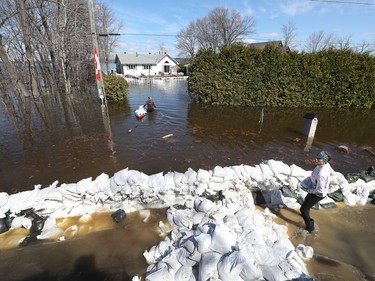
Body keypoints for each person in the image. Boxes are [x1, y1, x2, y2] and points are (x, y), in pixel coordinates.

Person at [300, 151, 333, 232]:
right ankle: (305, 214)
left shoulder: (322, 174)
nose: (316, 159)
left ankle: (310, 228)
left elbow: (320, 190)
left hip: (318, 194)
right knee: (306, 202)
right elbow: (332, 173)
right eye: (316, 157)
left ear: (324, 160)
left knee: (303, 209)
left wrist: (308, 190)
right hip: (314, 189)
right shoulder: (325, 165)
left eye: (319, 159)